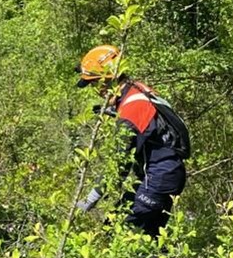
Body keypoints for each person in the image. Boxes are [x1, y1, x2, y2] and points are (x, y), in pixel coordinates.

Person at [74, 45, 188, 237]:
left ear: (107, 79)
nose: (97, 91)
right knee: (147, 239)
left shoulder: (133, 107)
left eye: (95, 84)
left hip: (159, 177)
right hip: (163, 175)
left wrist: (92, 198)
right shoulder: (137, 89)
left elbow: (120, 161)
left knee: (120, 234)